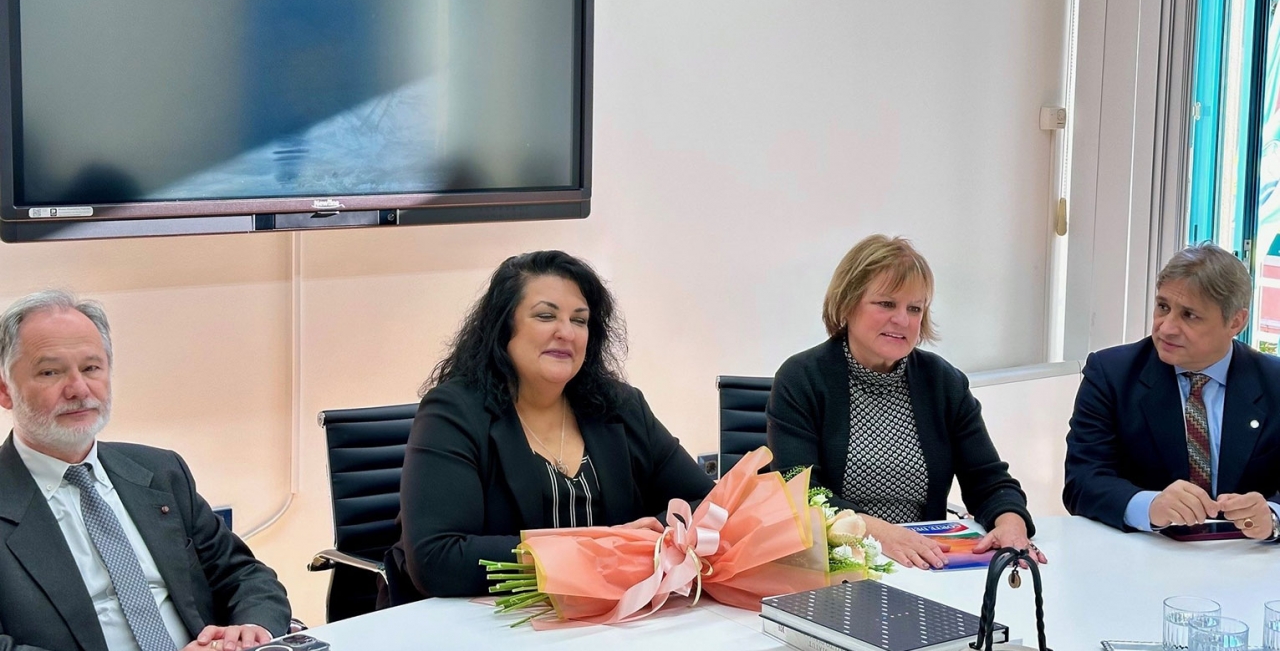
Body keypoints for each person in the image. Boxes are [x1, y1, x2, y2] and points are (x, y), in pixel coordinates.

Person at [388, 250, 715, 600]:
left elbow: (708, 503)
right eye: (546, 316)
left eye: (580, 320)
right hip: (492, 615)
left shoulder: (620, 407)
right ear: (503, 327)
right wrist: (597, 551)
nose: (566, 333)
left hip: (613, 611)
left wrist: (647, 544)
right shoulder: (453, 412)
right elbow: (437, 558)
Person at [0, 290, 291, 651]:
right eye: (50, 372)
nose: (78, 389)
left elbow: (244, 574)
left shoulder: (160, 471)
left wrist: (250, 628)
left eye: (91, 368)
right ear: (5, 391)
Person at [766, 235, 1043, 570]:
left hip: (921, 565)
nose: (903, 320)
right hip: (833, 566)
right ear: (847, 304)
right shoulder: (802, 378)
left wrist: (1010, 522)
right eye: (886, 304)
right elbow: (802, 493)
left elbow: (989, 481)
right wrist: (879, 533)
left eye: (914, 308)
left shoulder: (943, 382)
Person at [1064, 243, 1280, 541]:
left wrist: (1272, 515)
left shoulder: (1274, 382)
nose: (1166, 328)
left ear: (1236, 322)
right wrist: (1149, 506)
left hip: (1248, 557)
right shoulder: (1112, 374)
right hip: (1145, 553)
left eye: (1189, 315)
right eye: (1163, 307)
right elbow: (1082, 481)